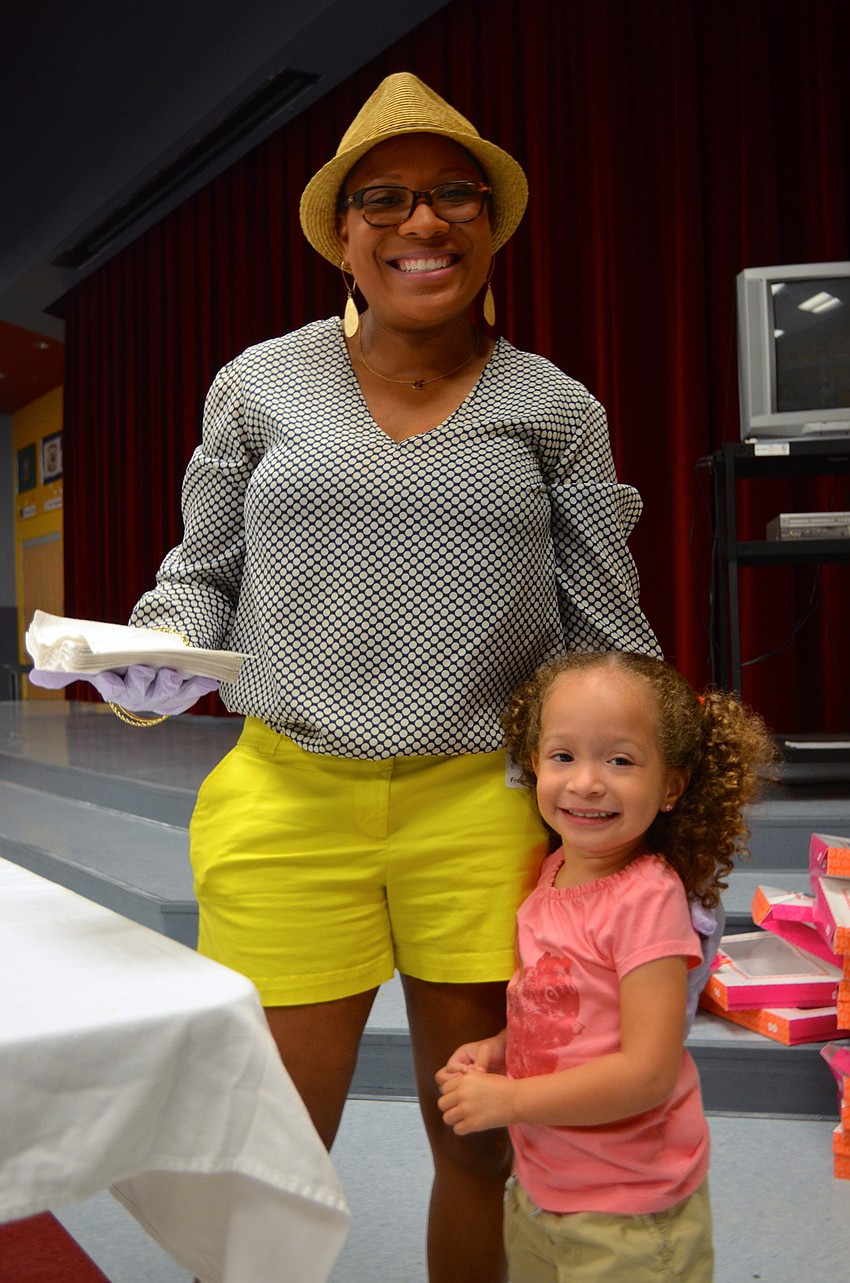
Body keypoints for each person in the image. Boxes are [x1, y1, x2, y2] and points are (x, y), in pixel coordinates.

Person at [31, 74, 661, 1283]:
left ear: (490, 224)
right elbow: (200, 573)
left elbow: (607, 628)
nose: (422, 222)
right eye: (385, 199)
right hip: (289, 800)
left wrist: (659, 817)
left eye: (452, 195)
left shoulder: (554, 408)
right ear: (342, 233)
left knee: (480, 1141)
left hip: (484, 806)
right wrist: (155, 655)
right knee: (270, 1151)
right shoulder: (258, 384)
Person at [436, 650, 776, 1283]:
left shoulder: (647, 900)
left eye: (620, 761)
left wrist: (512, 1099)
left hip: (629, 1209)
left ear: (671, 786)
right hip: (544, 1188)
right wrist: (502, 1048)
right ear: (534, 763)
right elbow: (566, 1012)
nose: (586, 782)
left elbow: (648, 1073)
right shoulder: (553, 871)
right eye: (563, 756)